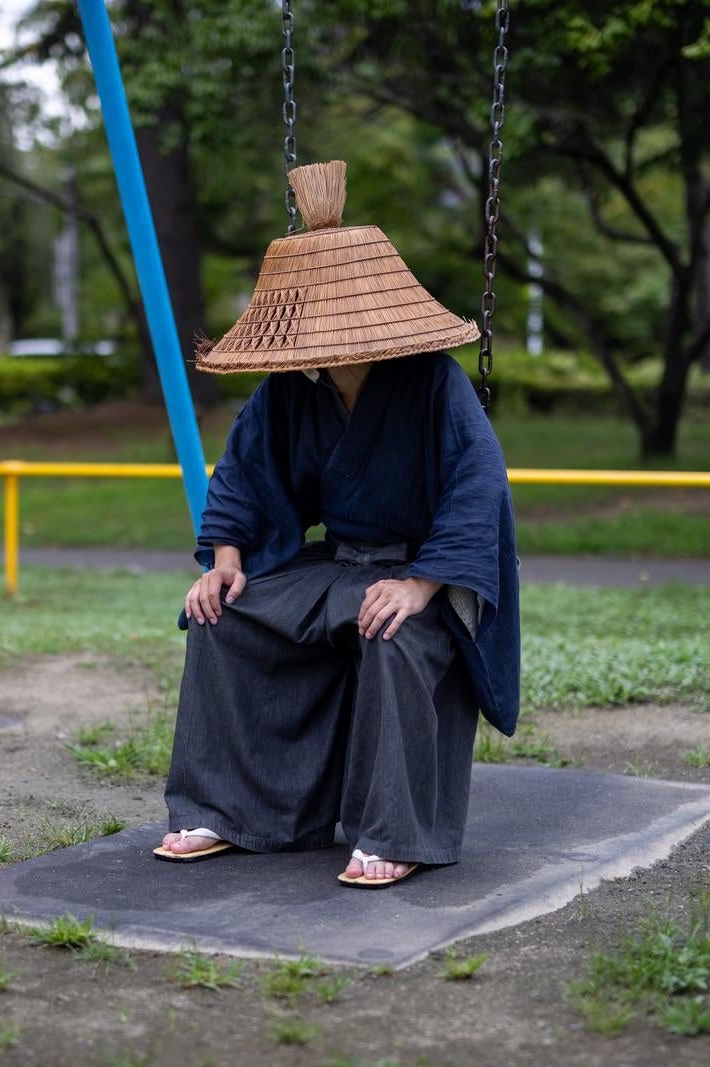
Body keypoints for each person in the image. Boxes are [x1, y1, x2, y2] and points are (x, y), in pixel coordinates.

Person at [155, 161, 521, 888]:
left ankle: (394, 831)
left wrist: (419, 585)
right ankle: (227, 808)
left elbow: (479, 486)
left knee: (388, 625)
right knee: (221, 617)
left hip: (423, 571)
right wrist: (225, 559)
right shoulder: (291, 387)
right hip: (340, 563)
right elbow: (243, 473)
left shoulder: (434, 380)